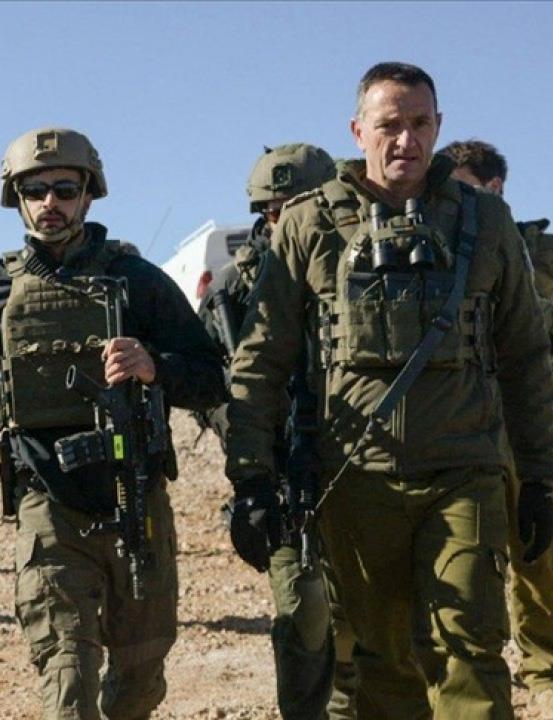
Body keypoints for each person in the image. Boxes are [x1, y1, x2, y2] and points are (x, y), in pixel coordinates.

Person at [225, 62, 553, 719]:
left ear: (439, 127)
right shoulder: (309, 224)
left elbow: (524, 358)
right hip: (356, 480)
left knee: (469, 652)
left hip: (463, 473)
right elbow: (262, 360)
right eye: (389, 125)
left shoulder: (486, 221)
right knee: (383, 664)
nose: (406, 140)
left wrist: (541, 478)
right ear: (358, 131)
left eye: (420, 124)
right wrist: (251, 478)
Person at [0, 127, 225, 719]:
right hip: (49, 507)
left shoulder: (139, 282)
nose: (51, 203)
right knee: (67, 679)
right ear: (16, 199)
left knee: (140, 680)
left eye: (65, 190)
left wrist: (153, 366)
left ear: (88, 195)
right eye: (36, 190)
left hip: (137, 498)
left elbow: (211, 377)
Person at [199, 143, 341, 720]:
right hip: (284, 476)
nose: (287, 221)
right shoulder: (232, 291)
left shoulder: (353, 266)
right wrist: (246, 436)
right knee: (304, 613)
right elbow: (206, 387)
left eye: (301, 207)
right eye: (276, 210)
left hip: (360, 464)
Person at [439, 139, 553, 717]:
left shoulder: (546, 253)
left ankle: (545, 669)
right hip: (465, 430)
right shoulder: (443, 252)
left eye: (466, 189)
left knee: (542, 557)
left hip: (536, 426)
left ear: (496, 189)